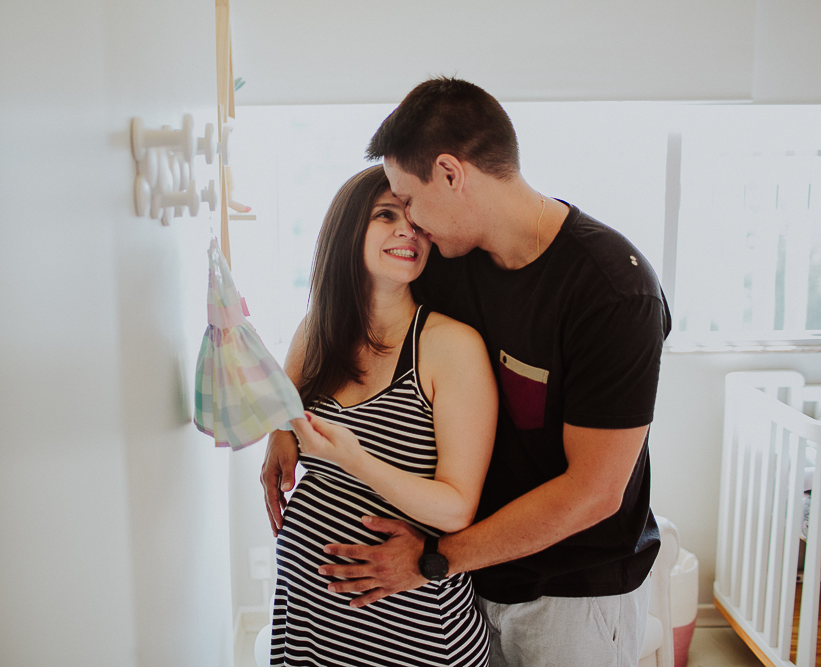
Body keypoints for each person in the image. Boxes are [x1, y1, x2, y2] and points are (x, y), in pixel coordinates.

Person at [262, 78, 671, 667]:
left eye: (410, 198)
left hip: (572, 589)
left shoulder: (613, 289)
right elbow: (336, 313)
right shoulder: (450, 259)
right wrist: (283, 421)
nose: (412, 224)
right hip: (471, 581)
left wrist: (436, 557)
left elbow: (594, 494)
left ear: (451, 174)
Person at [268, 164, 498, 666]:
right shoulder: (316, 332)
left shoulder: (449, 347)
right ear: (349, 229)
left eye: (416, 221)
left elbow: (457, 508)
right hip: (309, 617)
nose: (406, 231)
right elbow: (285, 404)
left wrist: (357, 459)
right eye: (385, 215)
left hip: (410, 632)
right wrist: (278, 431)